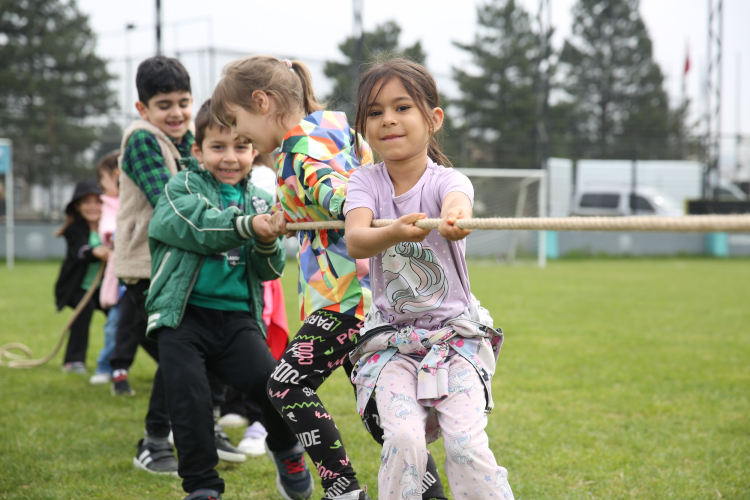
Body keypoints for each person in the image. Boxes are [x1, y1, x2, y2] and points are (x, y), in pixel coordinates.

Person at [211, 55, 448, 500]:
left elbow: (342, 196)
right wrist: (290, 213)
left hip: (344, 299)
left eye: (237, 121)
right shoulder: (335, 129)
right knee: (381, 415)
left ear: (261, 102)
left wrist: (347, 212)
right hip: (372, 294)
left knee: (286, 384)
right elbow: (338, 188)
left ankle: (343, 491)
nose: (239, 135)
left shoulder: (298, 151)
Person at [343, 58, 515, 500]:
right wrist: (396, 231)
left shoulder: (448, 180)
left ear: (433, 119)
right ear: (363, 126)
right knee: (403, 440)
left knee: (464, 445)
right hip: (391, 344)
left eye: (402, 107)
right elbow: (356, 240)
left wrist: (455, 220)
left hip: (456, 342)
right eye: (375, 112)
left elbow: (458, 205)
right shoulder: (364, 182)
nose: (388, 119)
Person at [145, 99, 313, 500]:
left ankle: (287, 448)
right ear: (197, 150)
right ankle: (202, 487)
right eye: (218, 147)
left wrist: (267, 240)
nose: (230, 157)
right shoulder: (180, 187)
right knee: (190, 401)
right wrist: (248, 225)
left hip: (238, 319)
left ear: (254, 151)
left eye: (241, 146)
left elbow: (269, 270)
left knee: (275, 385)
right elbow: (198, 225)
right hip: (181, 317)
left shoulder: (262, 199)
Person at [54, 178, 110, 373]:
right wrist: (95, 252)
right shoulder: (75, 229)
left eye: (98, 201)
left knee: (123, 317)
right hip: (77, 287)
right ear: (77, 206)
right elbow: (79, 251)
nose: (92, 206)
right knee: (84, 309)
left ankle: (157, 359)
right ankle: (74, 361)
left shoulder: (109, 227)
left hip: (104, 288)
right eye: (87, 202)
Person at [89, 150, 123, 385]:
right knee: (115, 324)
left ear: (117, 175)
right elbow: (108, 229)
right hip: (121, 278)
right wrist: (116, 235)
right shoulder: (109, 203)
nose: (100, 185)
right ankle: (105, 366)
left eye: (103, 179)